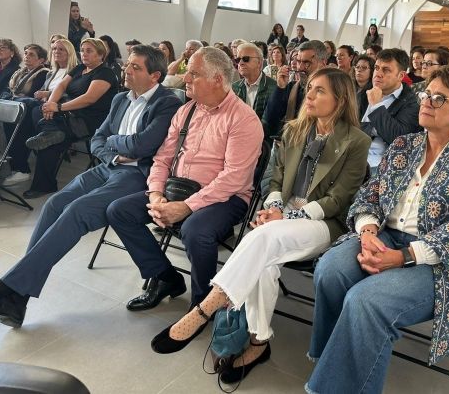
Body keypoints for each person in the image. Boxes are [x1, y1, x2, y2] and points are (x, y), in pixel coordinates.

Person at [149, 68, 371, 384]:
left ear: (341, 99)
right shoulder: (294, 130)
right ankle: (258, 342)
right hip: (278, 221)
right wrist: (274, 208)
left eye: (319, 90)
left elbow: (340, 198)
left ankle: (205, 309)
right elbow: (273, 179)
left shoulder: (357, 141)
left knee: (262, 240)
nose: (308, 94)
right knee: (264, 263)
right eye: (309, 87)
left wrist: (288, 217)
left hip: (322, 223)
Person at [306, 66, 449, 394]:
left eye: (439, 99)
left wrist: (402, 257)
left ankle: (336, 384)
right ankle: (334, 362)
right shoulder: (404, 145)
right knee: (330, 270)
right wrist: (368, 233)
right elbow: (370, 195)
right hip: (385, 235)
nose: (426, 101)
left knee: (366, 300)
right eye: (427, 94)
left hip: (442, 261)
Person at [0, 45, 182, 327]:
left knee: (78, 210)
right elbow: (97, 139)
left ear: (155, 76)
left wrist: (114, 142)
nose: (126, 70)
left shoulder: (167, 103)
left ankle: (10, 291)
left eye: (135, 67)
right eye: (127, 64)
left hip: (137, 175)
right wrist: (114, 151)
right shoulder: (121, 98)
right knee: (54, 204)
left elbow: (142, 145)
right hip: (109, 166)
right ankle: (17, 296)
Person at [106, 46, 263, 311]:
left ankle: (201, 306)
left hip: (226, 198)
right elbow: (163, 159)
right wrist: (157, 194)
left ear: (217, 79)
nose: (185, 78)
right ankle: (165, 278)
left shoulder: (243, 119)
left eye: (194, 73)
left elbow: (233, 178)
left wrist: (187, 207)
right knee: (119, 211)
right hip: (178, 188)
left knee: (195, 231)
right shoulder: (186, 111)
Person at [23, 38, 118, 198]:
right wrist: (51, 103)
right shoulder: (80, 68)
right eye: (82, 50)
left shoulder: (105, 73)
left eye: (89, 51)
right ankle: (50, 133)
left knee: (52, 138)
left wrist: (58, 107)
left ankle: (44, 184)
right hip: (69, 114)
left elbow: (89, 98)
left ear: (101, 54)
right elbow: (61, 86)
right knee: (42, 115)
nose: (84, 54)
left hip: (89, 120)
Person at [2, 39, 78, 187]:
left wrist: (47, 95)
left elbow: (72, 93)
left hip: (59, 111)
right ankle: (15, 165)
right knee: (14, 120)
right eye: (54, 49)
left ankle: (21, 169)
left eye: (61, 49)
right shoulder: (51, 73)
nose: (56, 51)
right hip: (41, 108)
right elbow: (41, 94)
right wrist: (43, 95)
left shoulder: (74, 72)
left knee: (23, 113)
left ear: (70, 52)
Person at [361, 48, 421, 173]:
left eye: (386, 70)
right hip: (354, 157)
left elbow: (398, 139)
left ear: (401, 76)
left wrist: (376, 106)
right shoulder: (363, 94)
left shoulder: (411, 103)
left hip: (382, 166)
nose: (378, 74)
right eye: (376, 68)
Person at [263, 40, 328, 139]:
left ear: (323, 63)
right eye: (298, 61)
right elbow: (270, 121)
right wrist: (280, 88)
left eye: (307, 63)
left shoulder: (332, 92)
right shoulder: (291, 88)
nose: (300, 67)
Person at [232, 42, 277, 126]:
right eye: (238, 60)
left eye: (246, 59)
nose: (240, 63)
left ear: (259, 62)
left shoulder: (274, 88)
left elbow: (271, 123)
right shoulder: (234, 87)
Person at [354, 54, 375, 118]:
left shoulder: (373, 91)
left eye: (364, 68)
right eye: (357, 67)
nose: (359, 70)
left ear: (371, 71)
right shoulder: (349, 86)